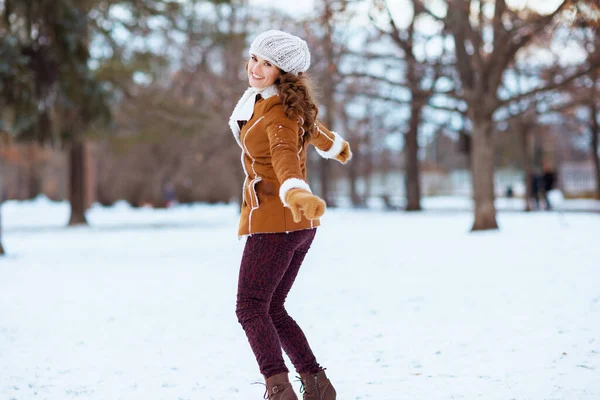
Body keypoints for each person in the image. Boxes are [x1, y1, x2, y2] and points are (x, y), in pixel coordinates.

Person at [229, 30, 352, 400]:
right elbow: (313, 129)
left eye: (267, 63)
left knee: (251, 308)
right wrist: (336, 147)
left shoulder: (277, 111)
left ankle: (279, 390)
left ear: (284, 72)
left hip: (277, 220)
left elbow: (285, 159)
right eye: (254, 58)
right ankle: (317, 384)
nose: (256, 68)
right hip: (297, 225)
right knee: (273, 308)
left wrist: (296, 191)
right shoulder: (280, 102)